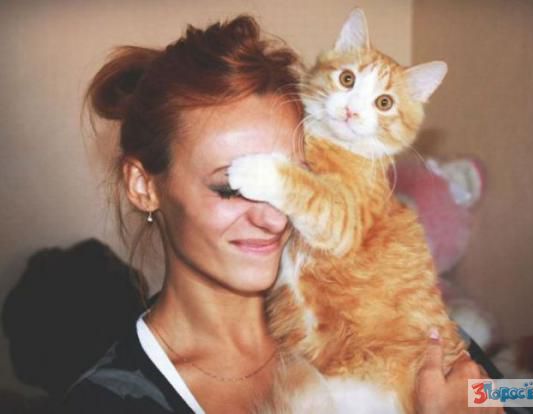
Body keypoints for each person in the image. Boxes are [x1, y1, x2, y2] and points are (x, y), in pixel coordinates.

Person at [63, 15, 503, 414]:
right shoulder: (107, 400)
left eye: (300, 178)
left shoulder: (401, 324)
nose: (275, 220)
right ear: (144, 186)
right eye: (233, 187)